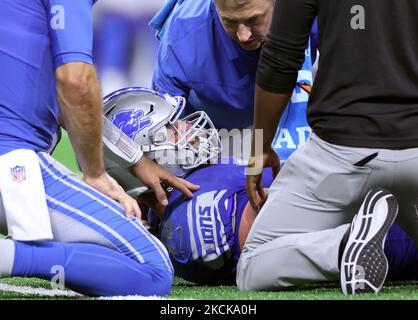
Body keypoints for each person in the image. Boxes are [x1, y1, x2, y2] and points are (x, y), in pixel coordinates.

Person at [103, 88, 418, 286]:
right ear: (141, 161)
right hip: (392, 228)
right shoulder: (185, 221)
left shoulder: (196, 184)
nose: (186, 126)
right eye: (170, 128)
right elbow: (277, 232)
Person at [0, 0, 197, 297]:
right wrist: (95, 173)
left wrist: (133, 159)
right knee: (154, 269)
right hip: (11, 161)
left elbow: (58, 89)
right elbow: (75, 80)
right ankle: (10, 256)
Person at [240, 0, 418, 295]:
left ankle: (344, 247)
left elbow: (280, 59)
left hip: (340, 154)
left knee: (252, 264)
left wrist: (260, 148)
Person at [150, 0, 317, 163]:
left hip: (286, 108)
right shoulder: (182, 37)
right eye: (230, 22)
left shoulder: (316, 12)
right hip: (213, 135)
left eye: (253, 20)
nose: (244, 36)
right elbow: (161, 127)